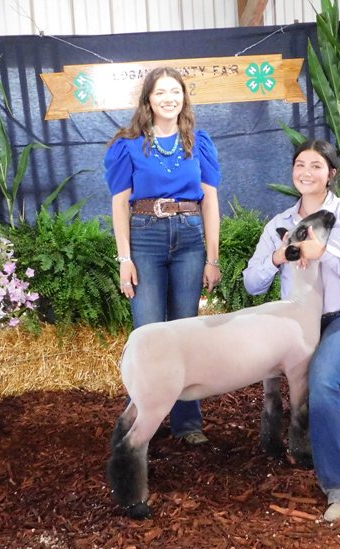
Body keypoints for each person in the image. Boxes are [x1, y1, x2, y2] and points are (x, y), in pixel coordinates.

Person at [243, 139, 340, 522]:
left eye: (316, 165)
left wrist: (328, 254)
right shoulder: (278, 224)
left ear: (331, 173)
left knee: (323, 381)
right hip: (301, 327)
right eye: (300, 165)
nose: (306, 172)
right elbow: (252, 284)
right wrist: (278, 257)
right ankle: (315, 429)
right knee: (299, 377)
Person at [104, 67, 222, 447]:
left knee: (186, 333)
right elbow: (119, 204)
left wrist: (213, 259)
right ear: (148, 100)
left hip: (190, 238)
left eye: (175, 91)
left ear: (184, 97)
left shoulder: (199, 142)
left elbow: (210, 202)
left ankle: (187, 424)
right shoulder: (127, 145)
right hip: (146, 238)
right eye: (160, 92)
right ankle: (140, 421)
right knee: (149, 335)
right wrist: (124, 258)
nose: (169, 98)